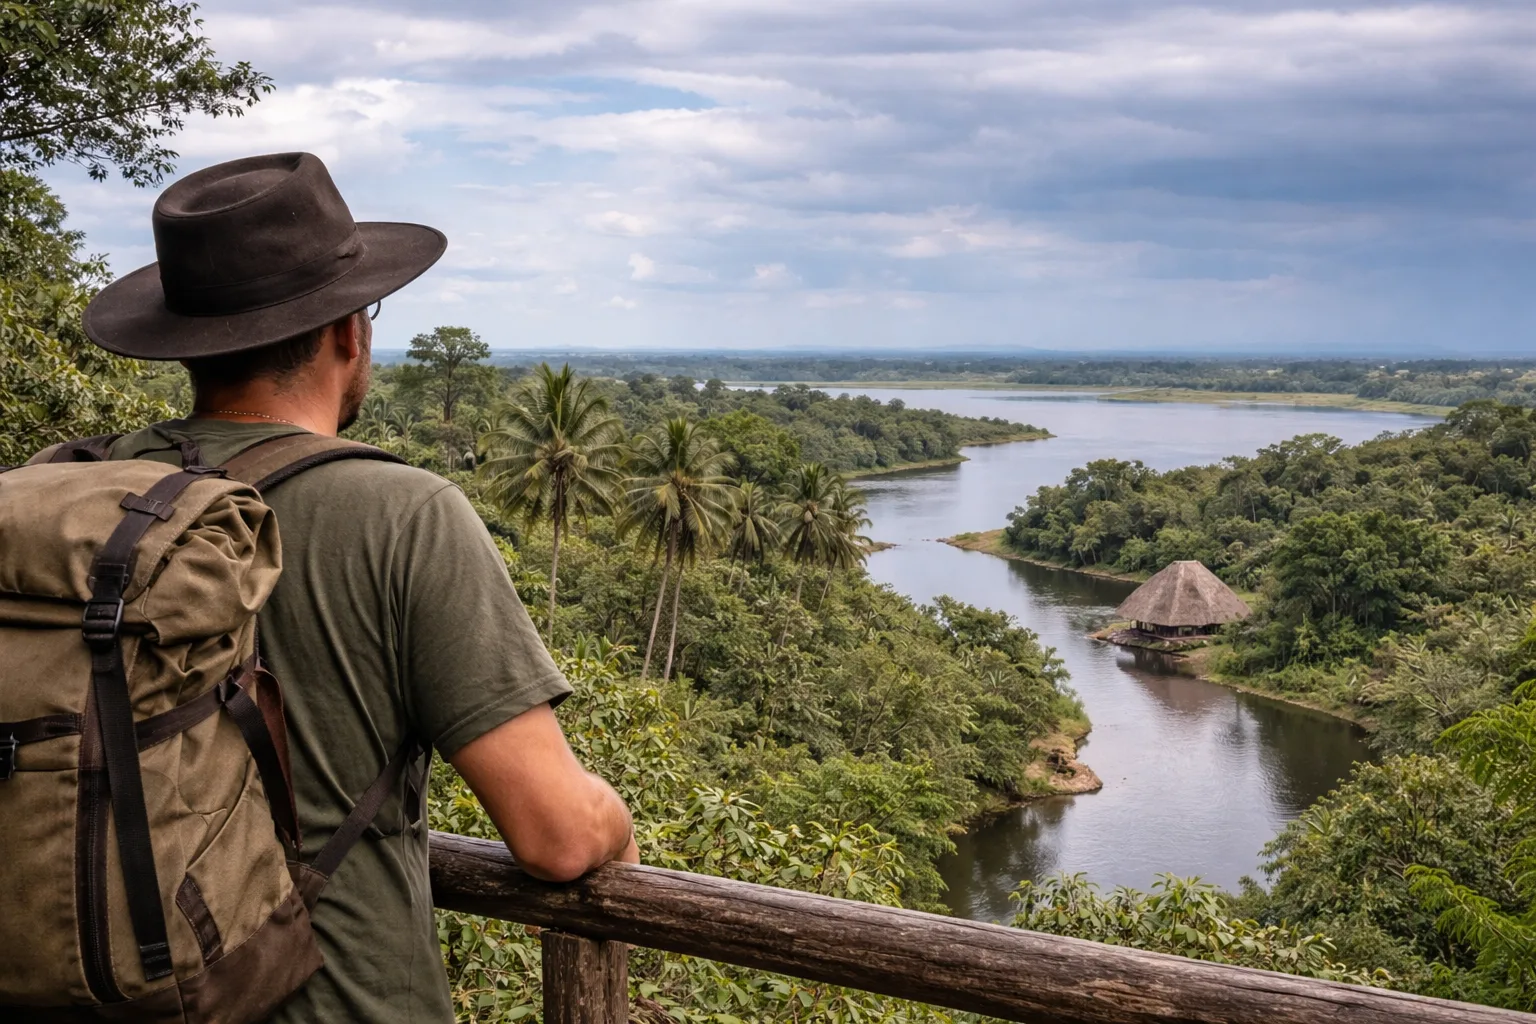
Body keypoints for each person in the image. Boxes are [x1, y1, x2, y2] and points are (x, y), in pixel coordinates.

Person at [79, 151, 638, 1021]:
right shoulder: (401, 513)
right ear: (350, 333)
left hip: (101, 987)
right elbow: (557, 836)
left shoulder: (80, 489)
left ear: (187, 346)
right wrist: (618, 829)